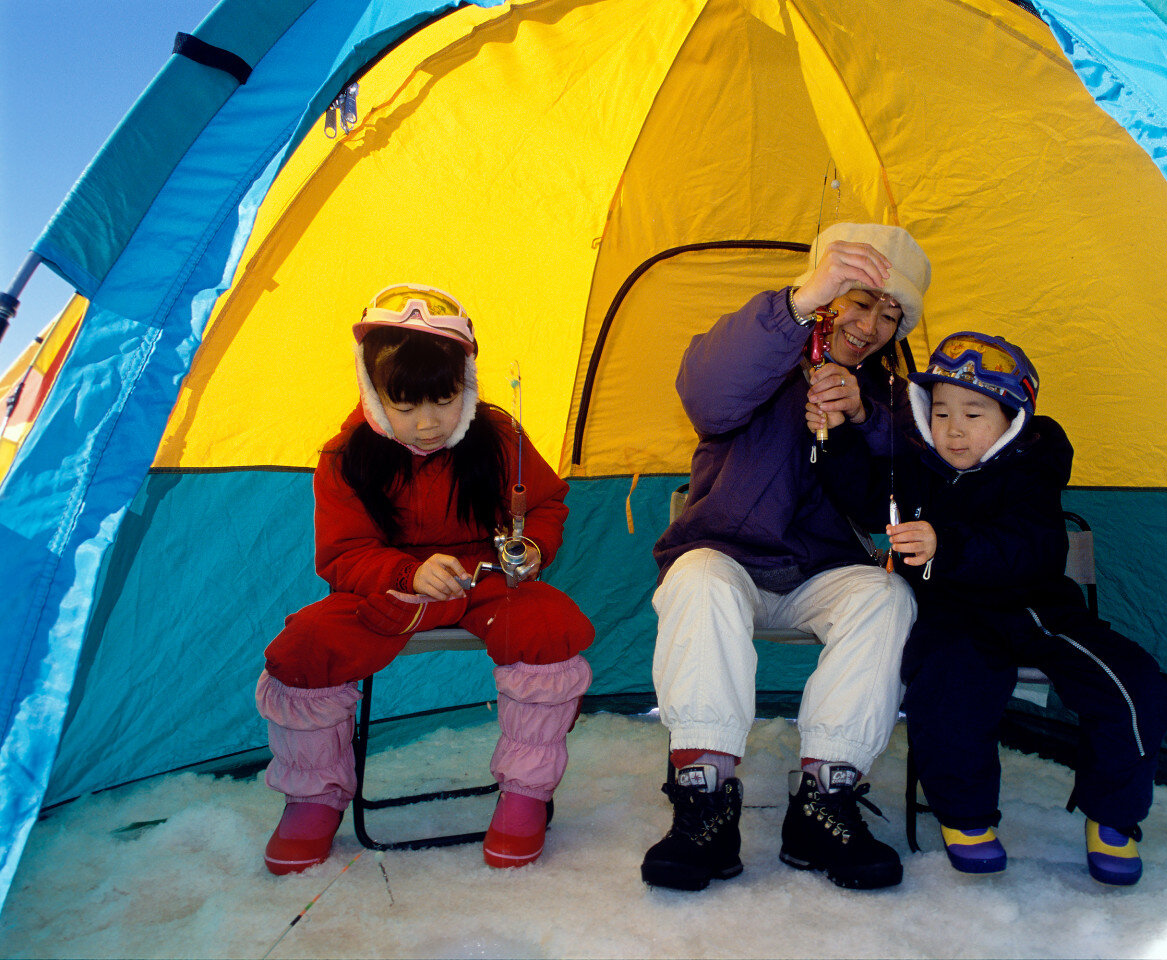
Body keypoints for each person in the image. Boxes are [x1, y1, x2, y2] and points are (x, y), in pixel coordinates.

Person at [813, 331, 1167, 886]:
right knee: (949, 684)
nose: (953, 429)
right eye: (940, 412)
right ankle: (966, 817)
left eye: (974, 414)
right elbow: (864, 498)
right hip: (950, 610)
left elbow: (1035, 545)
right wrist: (837, 440)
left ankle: (1114, 816)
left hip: (1038, 609)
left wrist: (948, 543)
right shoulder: (916, 464)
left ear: (1011, 420)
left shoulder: (1032, 468)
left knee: (1134, 682)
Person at [257, 284, 594, 875]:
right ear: (372, 394)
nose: (428, 423)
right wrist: (405, 570)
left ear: (466, 386)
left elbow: (545, 505)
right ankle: (312, 799)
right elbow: (342, 553)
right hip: (383, 590)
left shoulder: (499, 438)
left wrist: (533, 547)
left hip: (487, 582)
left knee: (552, 628)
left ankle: (526, 793)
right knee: (301, 650)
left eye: (443, 400)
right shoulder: (345, 457)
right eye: (406, 406)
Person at [640, 223, 929, 892]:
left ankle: (824, 800)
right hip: (729, 557)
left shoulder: (889, 392)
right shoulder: (766, 350)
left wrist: (864, 416)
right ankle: (705, 799)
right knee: (697, 581)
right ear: (827, 294)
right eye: (859, 302)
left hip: (821, 572)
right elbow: (704, 391)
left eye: (890, 315)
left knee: (886, 597)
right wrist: (796, 304)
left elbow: (920, 457)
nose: (871, 325)